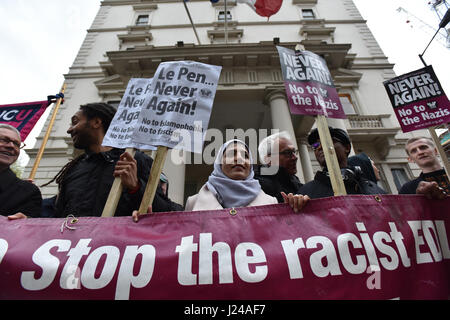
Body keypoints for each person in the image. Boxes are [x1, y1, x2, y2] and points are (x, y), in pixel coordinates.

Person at [42, 102, 182, 217]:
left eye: (75, 122)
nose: (69, 130)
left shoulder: (136, 160)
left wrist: (136, 188)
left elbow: (165, 210)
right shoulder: (73, 169)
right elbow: (57, 214)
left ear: (96, 122)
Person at [132, 139, 309, 221]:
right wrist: (152, 223)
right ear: (218, 163)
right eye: (231, 154)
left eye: (245, 156)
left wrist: (298, 209)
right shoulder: (192, 202)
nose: (239, 159)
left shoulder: (271, 201)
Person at [298, 126, 386, 199]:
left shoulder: (375, 192)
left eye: (327, 141)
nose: (320, 147)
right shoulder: (305, 194)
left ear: (347, 148)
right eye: (315, 145)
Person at [0, 124, 42, 219]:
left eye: (16, 144)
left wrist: (26, 222)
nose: (11, 146)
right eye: (4, 140)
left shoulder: (29, 193)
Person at [254, 131, 303, 203]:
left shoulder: (295, 181)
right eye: (287, 153)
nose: (295, 157)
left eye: (294, 151)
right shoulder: (256, 185)